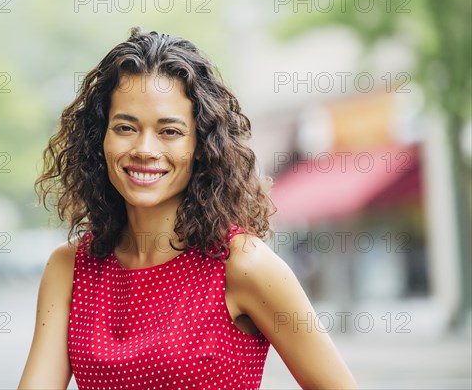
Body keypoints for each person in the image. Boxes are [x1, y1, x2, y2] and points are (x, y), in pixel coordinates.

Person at [19, 27, 357, 389]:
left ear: (201, 146)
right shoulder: (68, 268)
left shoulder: (243, 265)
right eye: (125, 127)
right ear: (99, 138)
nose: (145, 149)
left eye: (170, 131)